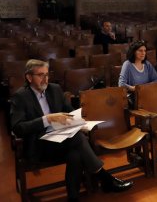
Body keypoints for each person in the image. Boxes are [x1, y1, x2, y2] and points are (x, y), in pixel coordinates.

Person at [10, 59, 133, 201]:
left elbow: (70, 113)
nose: (45, 79)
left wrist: (82, 123)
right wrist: (47, 119)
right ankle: (105, 179)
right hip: (40, 145)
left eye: (47, 74)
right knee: (77, 139)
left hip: (62, 139)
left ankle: (74, 198)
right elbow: (18, 128)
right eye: (40, 75)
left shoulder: (54, 89)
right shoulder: (21, 97)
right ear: (29, 77)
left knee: (75, 154)